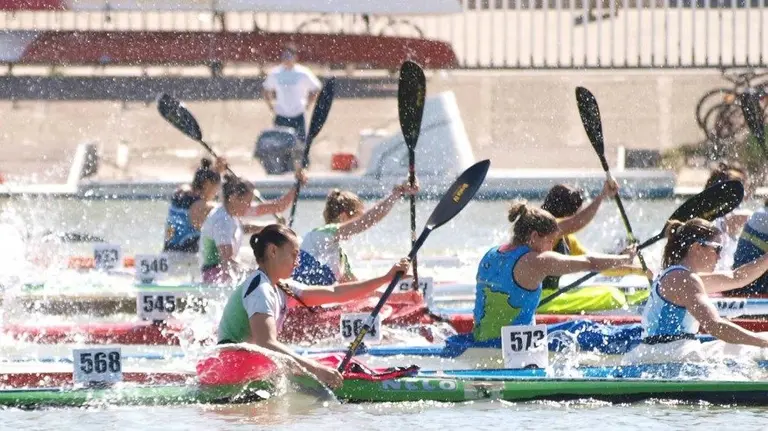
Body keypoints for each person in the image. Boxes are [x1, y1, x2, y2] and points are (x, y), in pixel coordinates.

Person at [216, 224, 411, 388]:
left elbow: (336, 293)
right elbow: (266, 343)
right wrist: (316, 369)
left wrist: (386, 278)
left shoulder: (281, 287)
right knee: (322, 366)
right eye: (293, 254)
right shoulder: (261, 289)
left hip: (251, 362)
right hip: (234, 367)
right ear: (273, 251)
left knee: (333, 360)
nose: (298, 261)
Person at [472, 201, 641, 342]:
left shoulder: (491, 253)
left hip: (480, 339)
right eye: (550, 241)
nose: (552, 247)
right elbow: (590, 262)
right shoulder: (537, 261)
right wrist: (625, 258)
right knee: (581, 328)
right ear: (534, 236)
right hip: (512, 347)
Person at [622, 218, 768, 364]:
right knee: (756, 349)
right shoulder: (684, 279)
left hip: (666, 353)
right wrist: (763, 342)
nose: (720, 256)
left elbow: (737, 277)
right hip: (666, 357)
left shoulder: (679, 276)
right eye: (717, 249)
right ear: (697, 247)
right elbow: (715, 326)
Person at [292, 179, 419, 286]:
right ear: (343, 218)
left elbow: (358, 289)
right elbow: (368, 220)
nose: (357, 229)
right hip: (296, 301)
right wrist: (396, 194)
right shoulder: (321, 234)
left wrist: (397, 292)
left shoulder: (340, 259)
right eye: (356, 218)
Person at [199, 172, 307, 285]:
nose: (249, 206)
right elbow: (228, 261)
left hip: (227, 272)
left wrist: (297, 186)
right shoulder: (221, 221)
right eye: (247, 202)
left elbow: (278, 207)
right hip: (215, 276)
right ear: (233, 197)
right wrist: (260, 272)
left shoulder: (231, 211)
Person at [539, 179, 635, 290]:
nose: (581, 214)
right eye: (579, 212)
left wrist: (636, 269)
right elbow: (578, 222)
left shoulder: (567, 240)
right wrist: (603, 195)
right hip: (534, 299)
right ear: (568, 214)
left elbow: (596, 265)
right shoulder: (544, 231)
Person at [162, 158, 227, 277]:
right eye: (217, 187)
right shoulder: (204, 207)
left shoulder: (179, 193)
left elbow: (201, 181)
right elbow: (229, 212)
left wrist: (216, 172)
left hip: (167, 255)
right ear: (207, 184)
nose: (216, 192)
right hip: (186, 260)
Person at [262, 44, 322, 155]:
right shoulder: (276, 73)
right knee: (279, 146)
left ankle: (301, 168)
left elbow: (316, 88)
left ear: (295, 57)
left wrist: (309, 104)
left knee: (300, 146)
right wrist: (270, 105)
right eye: (285, 56)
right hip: (281, 115)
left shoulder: (302, 72)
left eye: (289, 56)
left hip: (297, 114)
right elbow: (266, 89)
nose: (287, 59)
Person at [704, 162, 752, 272]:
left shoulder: (733, 210)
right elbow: (734, 219)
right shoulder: (719, 215)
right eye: (741, 185)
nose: (746, 191)